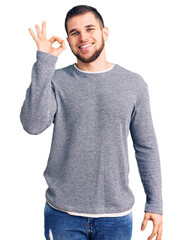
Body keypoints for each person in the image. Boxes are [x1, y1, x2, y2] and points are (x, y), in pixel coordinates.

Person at [20, 5, 163, 240]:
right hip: (62, 214)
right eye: (75, 32)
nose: (83, 37)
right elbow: (33, 124)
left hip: (116, 215)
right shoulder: (56, 80)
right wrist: (45, 62)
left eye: (89, 29)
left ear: (105, 32)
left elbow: (146, 147)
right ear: (68, 39)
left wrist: (155, 203)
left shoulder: (134, 84)